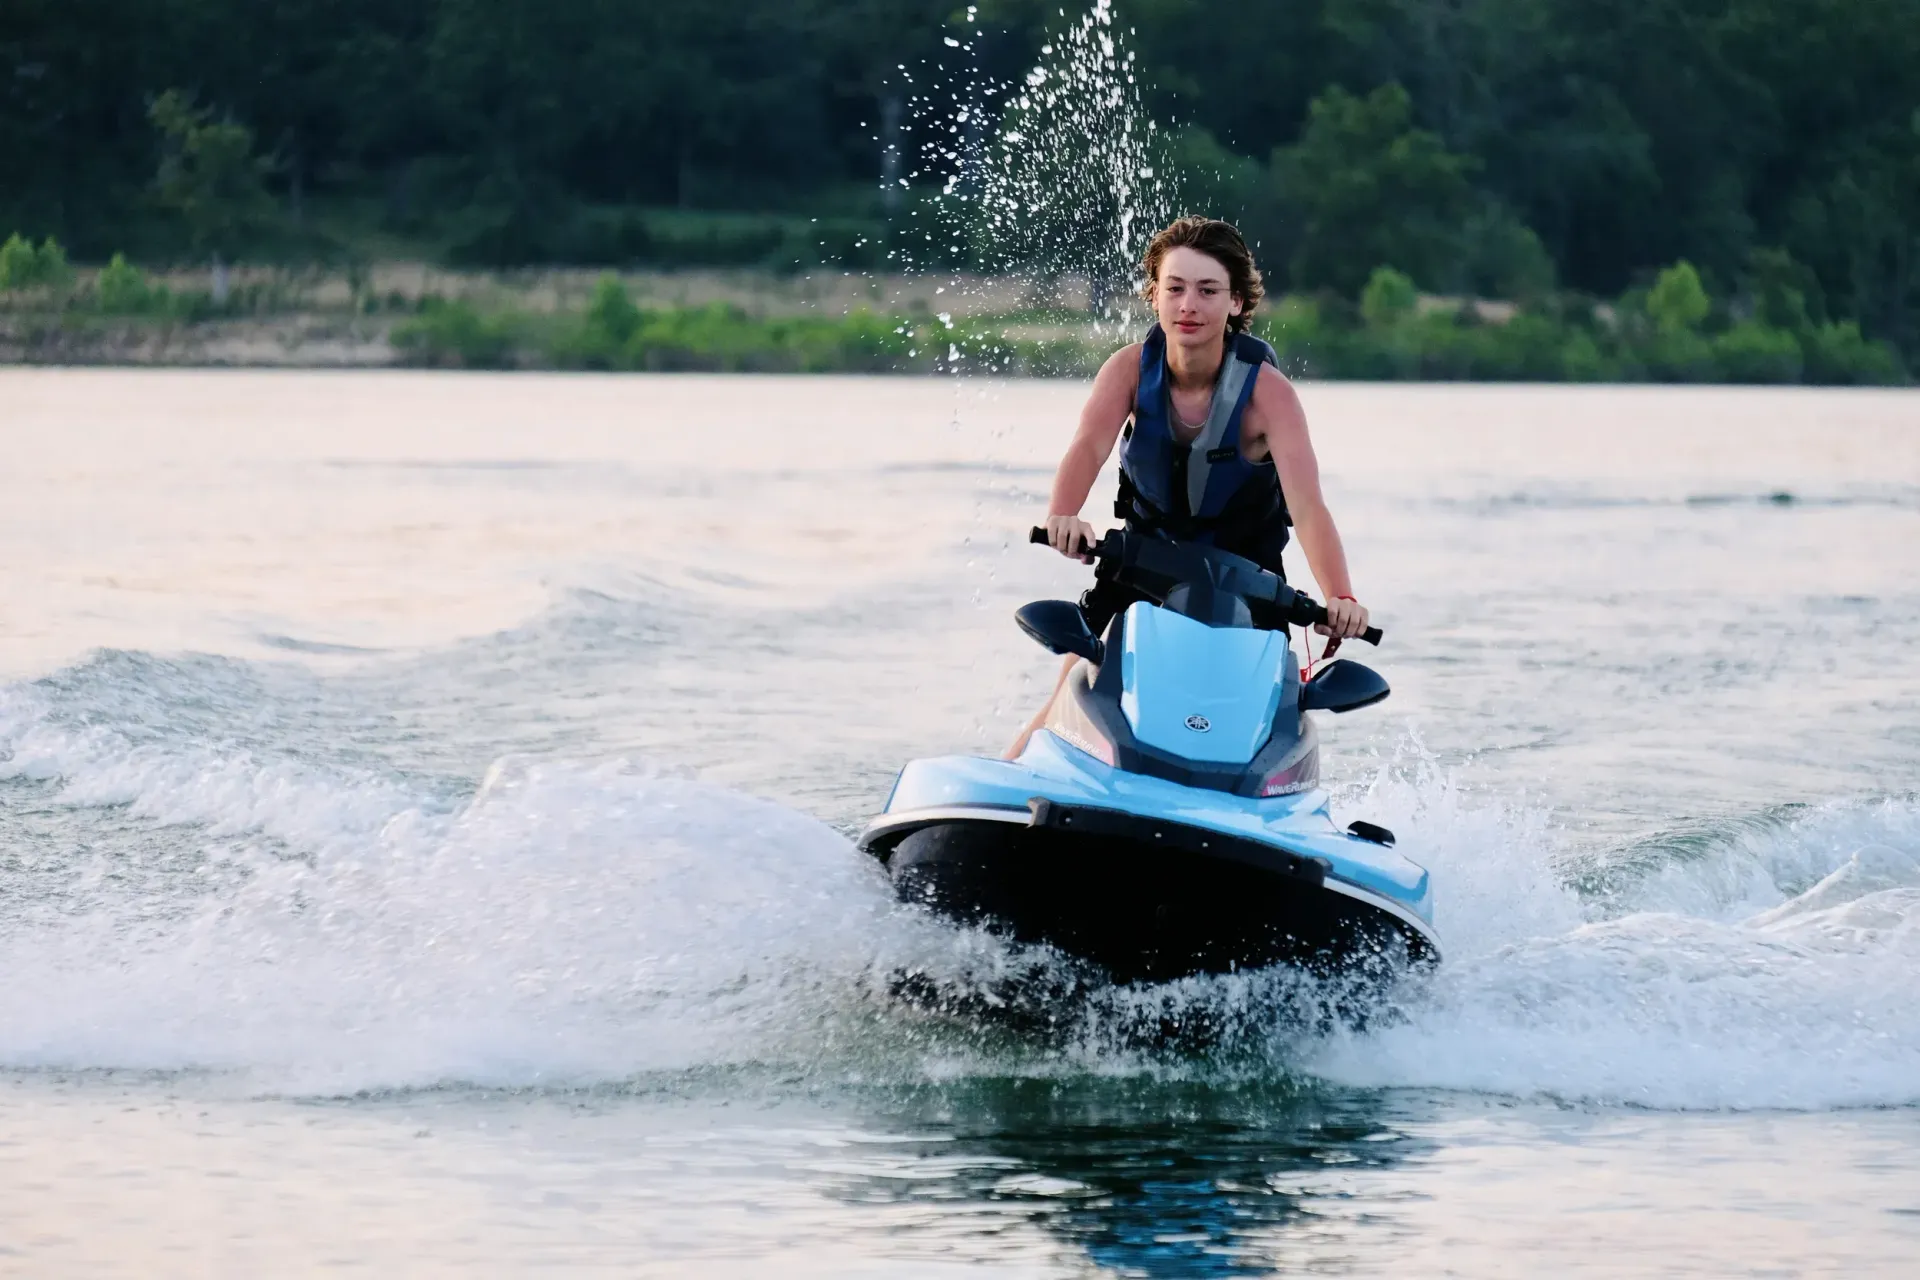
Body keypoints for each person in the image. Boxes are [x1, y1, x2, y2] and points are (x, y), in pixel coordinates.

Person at [1005, 215, 1372, 758]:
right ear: (1154, 296)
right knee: (1070, 694)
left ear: (1237, 304)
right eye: (1175, 289)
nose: (1189, 306)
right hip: (1141, 569)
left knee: (1252, 732)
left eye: (1207, 291)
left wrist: (1340, 595)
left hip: (1248, 588)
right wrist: (1064, 513)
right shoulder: (1128, 370)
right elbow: (1087, 447)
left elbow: (1309, 506)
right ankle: (1001, 797)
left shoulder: (1269, 396)